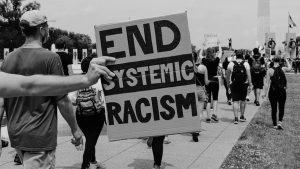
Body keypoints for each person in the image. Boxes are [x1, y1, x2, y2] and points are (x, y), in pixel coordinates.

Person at [0, 10, 113, 169]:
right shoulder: (50, 58)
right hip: (40, 135)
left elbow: (2, 101)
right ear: (41, 30)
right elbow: (61, 99)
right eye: (46, 26)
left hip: (17, 135)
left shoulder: (9, 59)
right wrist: (75, 129)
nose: (48, 30)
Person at [70, 56, 106, 169]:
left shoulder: (78, 80)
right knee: (91, 140)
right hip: (97, 115)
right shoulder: (100, 80)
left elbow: (71, 99)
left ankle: (93, 161)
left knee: (90, 138)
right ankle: (85, 165)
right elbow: (105, 99)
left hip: (81, 116)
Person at [262, 55, 291, 129]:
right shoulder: (283, 68)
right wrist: (286, 60)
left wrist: (265, 94)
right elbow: (290, 68)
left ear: (273, 61)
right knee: (281, 107)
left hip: (273, 91)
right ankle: (280, 123)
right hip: (282, 91)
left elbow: (267, 83)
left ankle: (274, 124)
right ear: (280, 61)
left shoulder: (269, 70)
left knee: (274, 108)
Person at [227, 51, 252, 124]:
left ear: (236, 56)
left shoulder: (231, 64)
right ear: (242, 56)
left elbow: (227, 75)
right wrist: (250, 84)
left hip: (234, 84)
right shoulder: (246, 64)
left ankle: (236, 118)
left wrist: (228, 84)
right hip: (243, 84)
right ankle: (242, 115)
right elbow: (248, 75)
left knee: (235, 101)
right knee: (243, 100)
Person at [199, 41, 222, 122]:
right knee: (215, 99)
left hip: (207, 80)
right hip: (215, 80)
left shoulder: (204, 60)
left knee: (208, 99)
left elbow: (200, 55)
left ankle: (208, 117)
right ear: (214, 53)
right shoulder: (216, 60)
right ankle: (214, 115)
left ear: (207, 53)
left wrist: (203, 46)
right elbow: (221, 52)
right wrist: (219, 44)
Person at [191, 51, 209, 142]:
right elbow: (206, 82)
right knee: (200, 111)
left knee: (192, 111)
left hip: (191, 90)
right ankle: (197, 130)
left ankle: (193, 128)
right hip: (201, 90)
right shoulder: (203, 67)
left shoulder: (187, 67)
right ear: (197, 57)